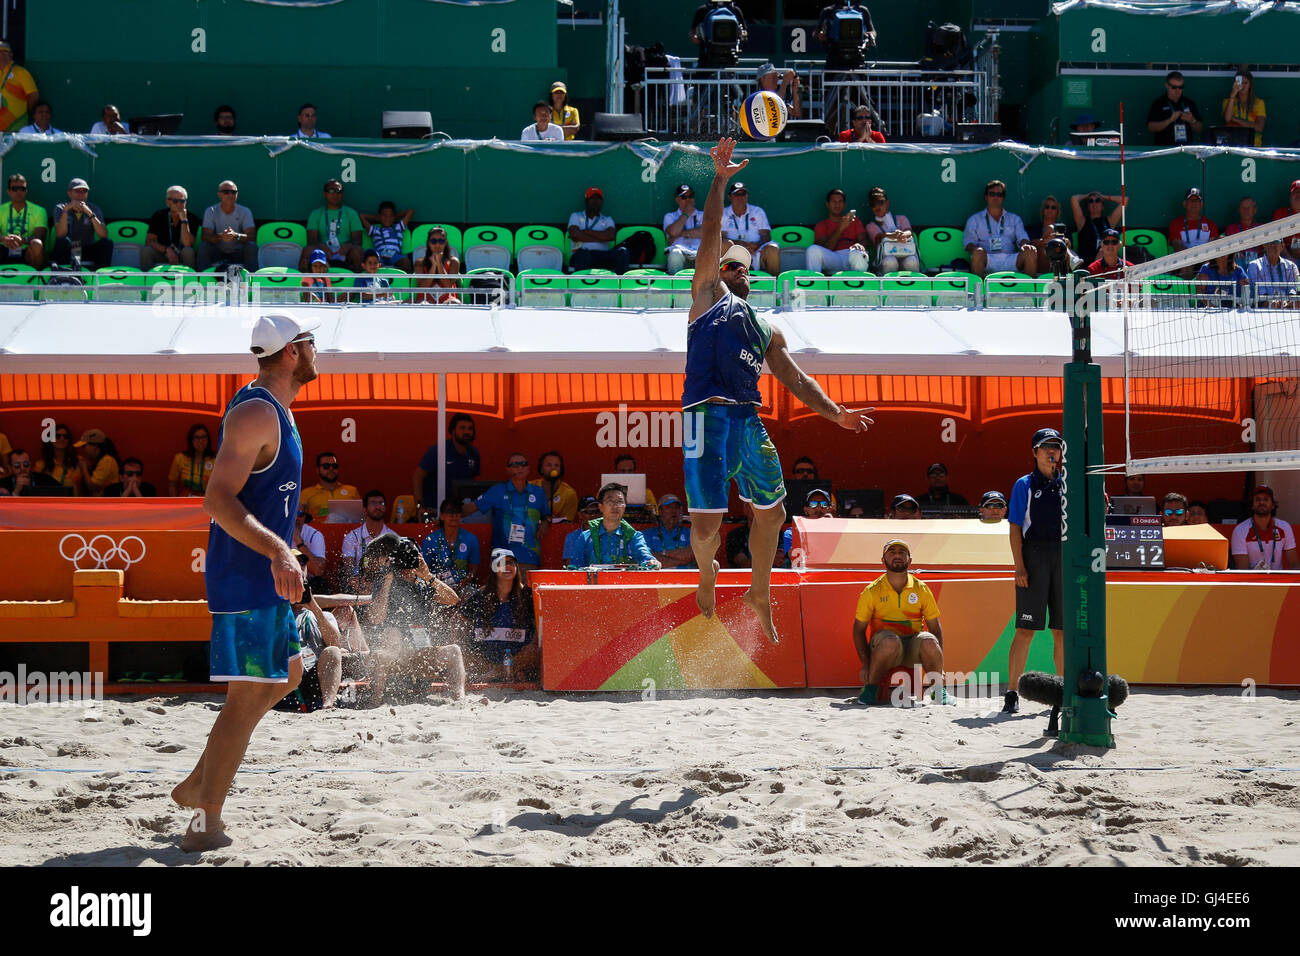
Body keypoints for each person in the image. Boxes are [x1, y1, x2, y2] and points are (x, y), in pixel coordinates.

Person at [684, 137, 873, 643]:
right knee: (706, 528)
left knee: (773, 512)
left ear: (753, 276)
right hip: (706, 416)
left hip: (747, 419)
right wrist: (719, 180)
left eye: (743, 265)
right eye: (729, 264)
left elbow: (796, 379)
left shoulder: (767, 327)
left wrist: (836, 415)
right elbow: (709, 234)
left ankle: (759, 592)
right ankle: (707, 573)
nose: (736, 269)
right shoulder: (705, 297)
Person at [172, 311, 319, 852]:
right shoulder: (258, 410)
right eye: (309, 343)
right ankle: (204, 822)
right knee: (247, 695)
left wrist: (283, 551)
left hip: (265, 574)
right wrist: (280, 550)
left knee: (288, 675)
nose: (316, 351)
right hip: (246, 575)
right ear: (290, 353)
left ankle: (195, 785)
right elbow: (216, 499)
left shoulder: (274, 407)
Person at [359, 531, 466, 701]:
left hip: (422, 657)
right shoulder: (385, 581)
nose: (408, 568)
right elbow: (375, 618)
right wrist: (388, 580)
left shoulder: (424, 583)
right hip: (395, 659)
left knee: (454, 651)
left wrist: (429, 577)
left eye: (412, 559)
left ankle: (459, 698)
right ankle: (376, 698)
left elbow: (453, 600)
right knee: (390, 635)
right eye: (404, 562)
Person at [1005, 426, 1066, 714]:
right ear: (1035, 452)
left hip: (1064, 556)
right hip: (1035, 556)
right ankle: (1012, 693)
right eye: (1046, 447)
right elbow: (1015, 528)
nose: (1052, 452)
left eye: (1056, 446)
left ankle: (1064, 691)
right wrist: (1019, 567)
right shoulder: (1024, 484)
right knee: (1025, 630)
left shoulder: (1070, 483)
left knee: (1062, 632)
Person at [852, 538, 952, 706]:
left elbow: (935, 627)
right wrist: (866, 664)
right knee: (890, 641)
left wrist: (940, 668)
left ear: (910, 560)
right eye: (891, 553)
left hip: (912, 647)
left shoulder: (921, 588)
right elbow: (858, 630)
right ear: (883, 560)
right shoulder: (872, 591)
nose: (897, 556)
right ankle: (870, 690)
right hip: (886, 648)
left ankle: (939, 690)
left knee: (929, 641)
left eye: (901, 553)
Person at [456, 548, 539, 682]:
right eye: (501, 563)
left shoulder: (527, 595)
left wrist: (534, 643)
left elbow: (540, 625)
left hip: (517, 657)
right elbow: (458, 620)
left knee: (535, 652)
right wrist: (462, 644)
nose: (507, 566)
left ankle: (499, 673)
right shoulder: (481, 596)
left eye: (511, 563)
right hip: (484, 661)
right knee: (460, 654)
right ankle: (504, 673)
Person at [463, 453, 550, 577]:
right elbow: (472, 507)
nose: (520, 467)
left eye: (523, 464)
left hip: (530, 556)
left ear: (529, 468)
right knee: (502, 595)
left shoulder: (538, 492)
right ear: (508, 470)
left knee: (527, 595)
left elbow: (547, 514)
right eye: (515, 464)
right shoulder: (498, 491)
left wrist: (546, 522)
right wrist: (446, 515)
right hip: (502, 556)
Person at [816, 2, 877, 131]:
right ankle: (827, 132)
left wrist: (868, 35)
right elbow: (816, 33)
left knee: (862, 101)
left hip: (857, 63)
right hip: (834, 63)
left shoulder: (863, 10)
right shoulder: (827, 11)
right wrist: (822, 34)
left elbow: (873, 31)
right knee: (832, 102)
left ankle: (870, 132)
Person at [573, 482, 662, 568]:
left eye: (620, 501)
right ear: (600, 507)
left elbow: (645, 556)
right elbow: (575, 569)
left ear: (625, 506)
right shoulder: (585, 537)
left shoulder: (633, 536)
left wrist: (651, 561)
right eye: (610, 501)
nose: (615, 506)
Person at [963, 180, 1034, 278]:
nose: (996, 197)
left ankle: (1029, 290)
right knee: (978, 253)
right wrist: (976, 250)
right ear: (986, 196)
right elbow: (968, 243)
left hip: (1010, 259)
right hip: (988, 259)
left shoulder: (1014, 218)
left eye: (999, 194)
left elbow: (1022, 237)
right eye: (992, 194)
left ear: (1003, 198)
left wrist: (1025, 245)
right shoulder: (974, 219)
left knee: (1031, 251)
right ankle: (979, 292)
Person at [413, 412, 480, 512]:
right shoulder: (438, 450)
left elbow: (473, 483)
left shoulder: (474, 453)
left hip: (460, 511)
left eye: (470, 429)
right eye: (462, 428)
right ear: (453, 431)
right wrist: (419, 508)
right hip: (434, 509)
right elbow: (417, 476)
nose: (467, 432)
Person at [420, 498, 481, 594]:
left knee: (472, 593)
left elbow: (473, 570)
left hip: (462, 587)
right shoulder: (430, 540)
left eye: (457, 512)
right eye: (450, 512)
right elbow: (424, 570)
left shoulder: (471, 539)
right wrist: (438, 586)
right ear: (442, 516)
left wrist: (460, 586)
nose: (454, 515)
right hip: (436, 587)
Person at [1230, 485, 1297, 571]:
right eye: (1257, 499)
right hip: (1253, 582)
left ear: (1273, 505)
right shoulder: (1240, 530)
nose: (1261, 502)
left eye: (1266, 499)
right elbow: (1243, 570)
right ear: (1252, 505)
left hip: (1279, 581)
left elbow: (1294, 564)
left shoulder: (1285, 527)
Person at [51, 177, 113, 271]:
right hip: (68, 250)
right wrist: (66, 210)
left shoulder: (94, 208)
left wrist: (89, 213)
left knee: (106, 243)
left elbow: (103, 235)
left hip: (87, 249)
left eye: (84, 191)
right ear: (69, 193)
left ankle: (100, 275)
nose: (81, 195)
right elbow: (60, 234)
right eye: (77, 191)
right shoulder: (60, 208)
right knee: (62, 241)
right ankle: (61, 274)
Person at [302, 179, 363, 272]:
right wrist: (323, 248)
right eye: (331, 191)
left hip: (344, 253)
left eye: (338, 191)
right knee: (307, 251)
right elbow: (311, 241)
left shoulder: (351, 213)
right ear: (324, 194)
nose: (335, 194)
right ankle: (306, 283)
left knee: (357, 251)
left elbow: (357, 241)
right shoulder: (315, 214)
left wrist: (347, 246)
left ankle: (359, 283)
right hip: (323, 253)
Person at [806, 188, 869, 275]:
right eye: (834, 201)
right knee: (812, 249)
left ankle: (860, 286)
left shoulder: (855, 221)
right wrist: (841, 228)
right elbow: (827, 248)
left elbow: (864, 241)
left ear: (844, 204)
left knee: (859, 253)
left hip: (851, 255)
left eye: (840, 201)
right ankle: (814, 283)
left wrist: (860, 245)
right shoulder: (821, 225)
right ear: (828, 204)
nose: (837, 204)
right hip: (833, 258)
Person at [721, 181, 779, 276]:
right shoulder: (723, 213)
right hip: (733, 251)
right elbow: (721, 238)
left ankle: (774, 285)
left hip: (756, 250)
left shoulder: (757, 211)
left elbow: (766, 236)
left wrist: (757, 245)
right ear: (730, 197)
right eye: (736, 194)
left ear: (747, 195)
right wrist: (739, 245)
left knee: (772, 249)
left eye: (743, 194)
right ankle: (724, 281)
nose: (740, 197)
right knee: (724, 245)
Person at [197, 180, 257, 272]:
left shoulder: (245, 211)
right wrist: (221, 236)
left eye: (233, 192)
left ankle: (251, 279)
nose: (230, 195)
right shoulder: (211, 211)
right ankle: (203, 279)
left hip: (238, 252)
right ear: (219, 194)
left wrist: (236, 236)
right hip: (217, 252)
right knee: (203, 246)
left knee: (251, 246)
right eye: (226, 192)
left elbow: (251, 236)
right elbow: (205, 236)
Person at [568, 186, 628, 274]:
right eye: (592, 198)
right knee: (583, 255)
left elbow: (610, 236)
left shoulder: (607, 219)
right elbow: (574, 234)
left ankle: (620, 284)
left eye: (598, 198)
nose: (595, 201)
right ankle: (581, 286)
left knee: (622, 252)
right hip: (581, 255)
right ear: (586, 201)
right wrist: (601, 238)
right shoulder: (576, 216)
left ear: (602, 201)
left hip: (602, 255)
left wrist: (587, 232)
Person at [342, 490, 393, 588]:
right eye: (373, 503)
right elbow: (348, 569)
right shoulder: (352, 536)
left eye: (381, 503)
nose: (378, 507)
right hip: (358, 582)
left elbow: (395, 569)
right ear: (364, 510)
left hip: (385, 583)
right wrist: (355, 581)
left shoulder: (393, 537)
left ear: (385, 508)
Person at [861, 187, 917, 274]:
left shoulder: (901, 218)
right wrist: (895, 235)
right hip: (885, 258)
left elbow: (909, 232)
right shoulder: (870, 226)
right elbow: (880, 236)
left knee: (911, 261)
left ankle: (914, 287)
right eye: (873, 204)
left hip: (906, 254)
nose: (877, 206)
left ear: (887, 203)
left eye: (880, 202)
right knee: (890, 262)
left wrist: (902, 234)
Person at [142, 185, 200, 269]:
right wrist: (167, 250)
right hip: (163, 253)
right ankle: (146, 280)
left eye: (182, 201)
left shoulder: (192, 218)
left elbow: (187, 244)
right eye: (175, 201)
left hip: (182, 254)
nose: (179, 204)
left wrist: (184, 220)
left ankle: (190, 280)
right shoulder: (159, 215)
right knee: (146, 251)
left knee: (188, 251)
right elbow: (149, 241)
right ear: (167, 202)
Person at [1, 173, 47, 268]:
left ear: (26, 191)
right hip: (4, 249)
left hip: (26, 251)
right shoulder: (1, 209)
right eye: (14, 189)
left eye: (22, 189)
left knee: (37, 243)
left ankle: (35, 280)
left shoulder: (39, 210)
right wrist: (4, 239)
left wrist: (22, 240)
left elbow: (40, 236)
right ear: (8, 191)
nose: (19, 192)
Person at [1069, 190, 1126, 265]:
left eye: (1098, 200)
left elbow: (1124, 200)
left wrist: (1103, 196)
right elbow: (1074, 199)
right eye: (1090, 201)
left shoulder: (1109, 221)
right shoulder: (1082, 222)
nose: (1094, 203)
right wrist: (1089, 194)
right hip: (1086, 262)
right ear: (1087, 206)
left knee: (1103, 250)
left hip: (1106, 261)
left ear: (1102, 206)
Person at [1147, 70, 1202, 146]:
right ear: (1167, 85)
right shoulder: (1158, 103)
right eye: (1174, 87)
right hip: (1165, 148)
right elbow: (1151, 127)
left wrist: (1192, 120)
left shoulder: (1189, 103)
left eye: (1180, 87)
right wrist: (1169, 120)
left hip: (1186, 149)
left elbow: (1199, 128)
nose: (1177, 90)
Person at [300, 450, 360, 519]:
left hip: (349, 529)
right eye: (326, 466)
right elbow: (298, 519)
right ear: (317, 470)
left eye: (334, 466)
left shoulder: (352, 491)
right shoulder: (306, 494)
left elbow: (360, 519)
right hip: (317, 529)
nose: (331, 468)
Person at [412, 225, 462, 304]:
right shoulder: (419, 262)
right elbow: (423, 288)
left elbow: (448, 286)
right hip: (425, 298)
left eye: (441, 241)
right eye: (433, 241)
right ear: (429, 243)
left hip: (448, 298)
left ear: (445, 243)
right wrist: (433, 266)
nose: (437, 245)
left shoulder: (454, 261)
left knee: (453, 302)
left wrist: (439, 264)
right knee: (424, 304)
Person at [359, 201, 414, 271]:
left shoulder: (398, 228)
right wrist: (377, 218)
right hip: (379, 256)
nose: (388, 218)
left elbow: (411, 211)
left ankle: (395, 273)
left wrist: (394, 217)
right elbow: (361, 216)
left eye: (391, 215)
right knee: (372, 261)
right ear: (379, 216)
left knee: (405, 262)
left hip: (395, 255)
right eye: (384, 215)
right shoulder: (375, 230)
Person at [643, 494, 694, 569]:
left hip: (685, 577)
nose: (673, 511)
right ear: (660, 511)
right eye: (669, 507)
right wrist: (682, 561)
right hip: (657, 578)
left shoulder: (691, 533)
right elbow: (649, 559)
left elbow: (691, 555)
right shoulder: (647, 534)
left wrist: (663, 553)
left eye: (676, 507)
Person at [664, 183, 704, 275]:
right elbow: (673, 232)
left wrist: (680, 233)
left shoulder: (702, 215)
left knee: (708, 254)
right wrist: (686, 214)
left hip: (698, 252)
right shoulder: (670, 216)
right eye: (684, 197)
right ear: (677, 200)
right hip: (680, 251)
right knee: (675, 254)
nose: (688, 200)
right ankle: (675, 285)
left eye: (691, 196)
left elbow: (704, 232)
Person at [1246, 237, 1299, 306]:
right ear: (1264, 245)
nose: (1272, 245)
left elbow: (1292, 290)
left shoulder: (1291, 266)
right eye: (1269, 242)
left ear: (1282, 245)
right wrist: (1272, 303)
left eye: (1276, 242)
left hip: (1286, 309)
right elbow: (1260, 292)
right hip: (1261, 310)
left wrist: (1287, 302)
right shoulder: (1254, 265)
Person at [0, 41, 39, 132]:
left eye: (5, 51)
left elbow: (33, 95)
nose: (1, 55)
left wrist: (28, 113)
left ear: (11, 55)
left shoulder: (21, 72)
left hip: (16, 128)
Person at [1221, 69, 1265, 147]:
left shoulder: (1259, 103)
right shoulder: (1227, 101)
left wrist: (1235, 119)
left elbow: (1259, 127)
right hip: (1232, 142)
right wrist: (1232, 95)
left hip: (1253, 143)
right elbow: (1227, 118)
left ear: (1250, 84)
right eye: (1240, 82)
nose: (1243, 86)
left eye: (1246, 83)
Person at [530, 450, 578, 522]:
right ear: (541, 469)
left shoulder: (569, 494)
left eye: (556, 465)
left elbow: (567, 524)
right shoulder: (529, 487)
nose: (553, 468)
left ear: (561, 470)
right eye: (549, 465)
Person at [1168, 187, 1218, 256]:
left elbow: (1211, 247)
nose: (1193, 203)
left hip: (1205, 259)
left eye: (1197, 200)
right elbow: (1177, 246)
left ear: (1201, 204)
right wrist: (1191, 259)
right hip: (1184, 260)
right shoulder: (1175, 224)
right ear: (1184, 204)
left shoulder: (1211, 225)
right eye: (1191, 200)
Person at [34, 423, 81, 493]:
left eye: (65, 436)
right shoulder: (40, 465)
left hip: (75, 503)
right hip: (51, 503)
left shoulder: (79, 461)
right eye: (57, 436)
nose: (62, 439)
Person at [74, 428, 120, 497]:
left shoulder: (107, 460)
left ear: (95, 446)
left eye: (84, 446)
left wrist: (84, 467)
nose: (83, 450)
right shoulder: (99, 460)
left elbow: (92, 486)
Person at [1028, 195, 1067, 275]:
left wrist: (1059, 241)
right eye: (1047, 207)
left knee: (1063, 249)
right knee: (1045, 249)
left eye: (1053, 207)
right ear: (1043, 210)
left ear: (1057, 211)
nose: (1050, 209)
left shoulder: (1062, 227)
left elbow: (1069, 243)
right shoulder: (1035, 228)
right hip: (1040, 262)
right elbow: (1030, 243)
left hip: (1059, 256)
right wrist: (1046, 241)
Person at [292, 507, 327, 587]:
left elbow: (318, 571)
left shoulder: (315, 535)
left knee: (319, 583)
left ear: (305, 517)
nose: (297, 517)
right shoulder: (279, 532)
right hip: (285, 577)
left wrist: (299, 542)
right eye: (294, 512)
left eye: (300, 514)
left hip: (308, 581)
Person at [563, 496, 603, 567]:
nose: (594, 515)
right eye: (589, 512)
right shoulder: (572, 537)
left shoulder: (608, 533)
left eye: (597, 511)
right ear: (580, 514)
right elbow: (571, 567)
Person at [1225, 196, 1263, 270]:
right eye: (1243, 208)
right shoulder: (1231, 229)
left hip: (1257, 265)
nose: (1246, 211)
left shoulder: (1261, 228)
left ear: (1255, 210)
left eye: (1249, 208)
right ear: (1239, 210)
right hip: (1238, 266)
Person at [1270, 180, 1300, 265]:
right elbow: (1277, 239)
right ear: (1290, 196)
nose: (1298, 195)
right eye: (1296, 192)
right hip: (1286, 259)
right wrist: (1290, 261)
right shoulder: (1280, 213)